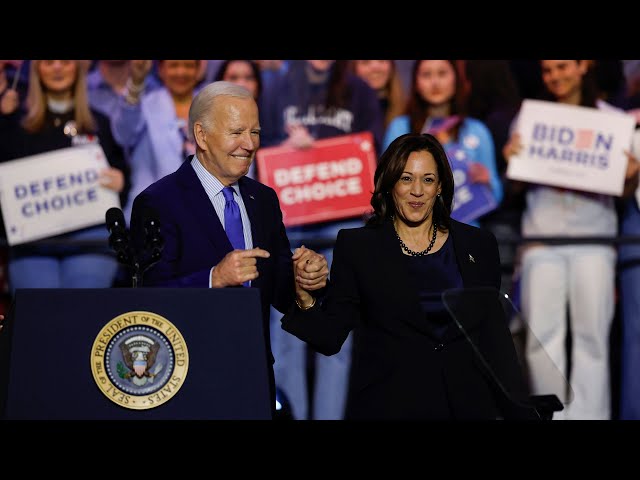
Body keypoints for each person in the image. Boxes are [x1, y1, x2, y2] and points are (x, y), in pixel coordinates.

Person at [281, 132, 535, 420]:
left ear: (440, 186)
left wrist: (521, 413)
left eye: (427, 179)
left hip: (465, 406)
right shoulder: (358, 247)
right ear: (389, 184)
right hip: (390, 405)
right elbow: (330, 338)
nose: (417, 190)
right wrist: (304, 297)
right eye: (406, 178)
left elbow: (494, 341)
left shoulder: (478, 244)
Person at [128, 81, 329, 417]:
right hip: (186, 379)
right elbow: (146, 298)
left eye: (255, 132)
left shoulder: (263, 200)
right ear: (201, 135)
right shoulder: (158, 202)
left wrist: (303, 279)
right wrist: (213, 278)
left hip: (252, 378)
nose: (249, 144)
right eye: (237, 132)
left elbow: (279, 290)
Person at [503, 60, 640, 420]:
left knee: (591, 339)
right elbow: (515, 186)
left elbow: (624, 190)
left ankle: (589, 416)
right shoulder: (530, 119)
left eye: (562, 66)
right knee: (540, 341)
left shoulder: (612, 121)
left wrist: (630, 176)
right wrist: (511, 161)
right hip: (541, 239)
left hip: (594, 239)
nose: (555, 76)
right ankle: (551, 416)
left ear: (583, 67)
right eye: (547, 70)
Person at [0, 60, 129, 291]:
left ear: (78, 68)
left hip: (90, 238)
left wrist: (121, 181)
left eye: (66, 61)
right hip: (32, 240)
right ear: (37, 70)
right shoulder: (14, 123)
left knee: (82, 303)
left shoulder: (99, 122)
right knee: (39, 304)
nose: (57, 67)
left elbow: (122, 174)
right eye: (49, 62)